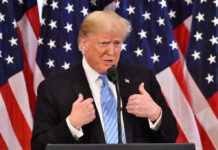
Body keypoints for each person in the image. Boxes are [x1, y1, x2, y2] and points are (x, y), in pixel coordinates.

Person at [31, 10, 178, 150]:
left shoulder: (142, 79)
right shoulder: (54, 88)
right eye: (104, 43)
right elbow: (39, 146)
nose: (111, 51)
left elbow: (171, 136)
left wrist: (156, 114)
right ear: (84, 44)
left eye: (117, 43)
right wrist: (71, 125)